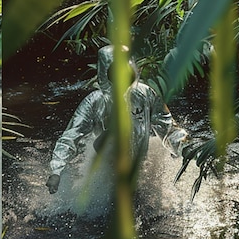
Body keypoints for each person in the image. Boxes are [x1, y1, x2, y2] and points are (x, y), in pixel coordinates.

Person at [45, 45, 187, 194]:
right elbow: (70, 137)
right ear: (105, 74)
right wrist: (56, 171)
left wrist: (187, 148)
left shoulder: (145, 94)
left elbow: (168, 128)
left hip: (139, 162)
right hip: (108, 165)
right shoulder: (93, 102)